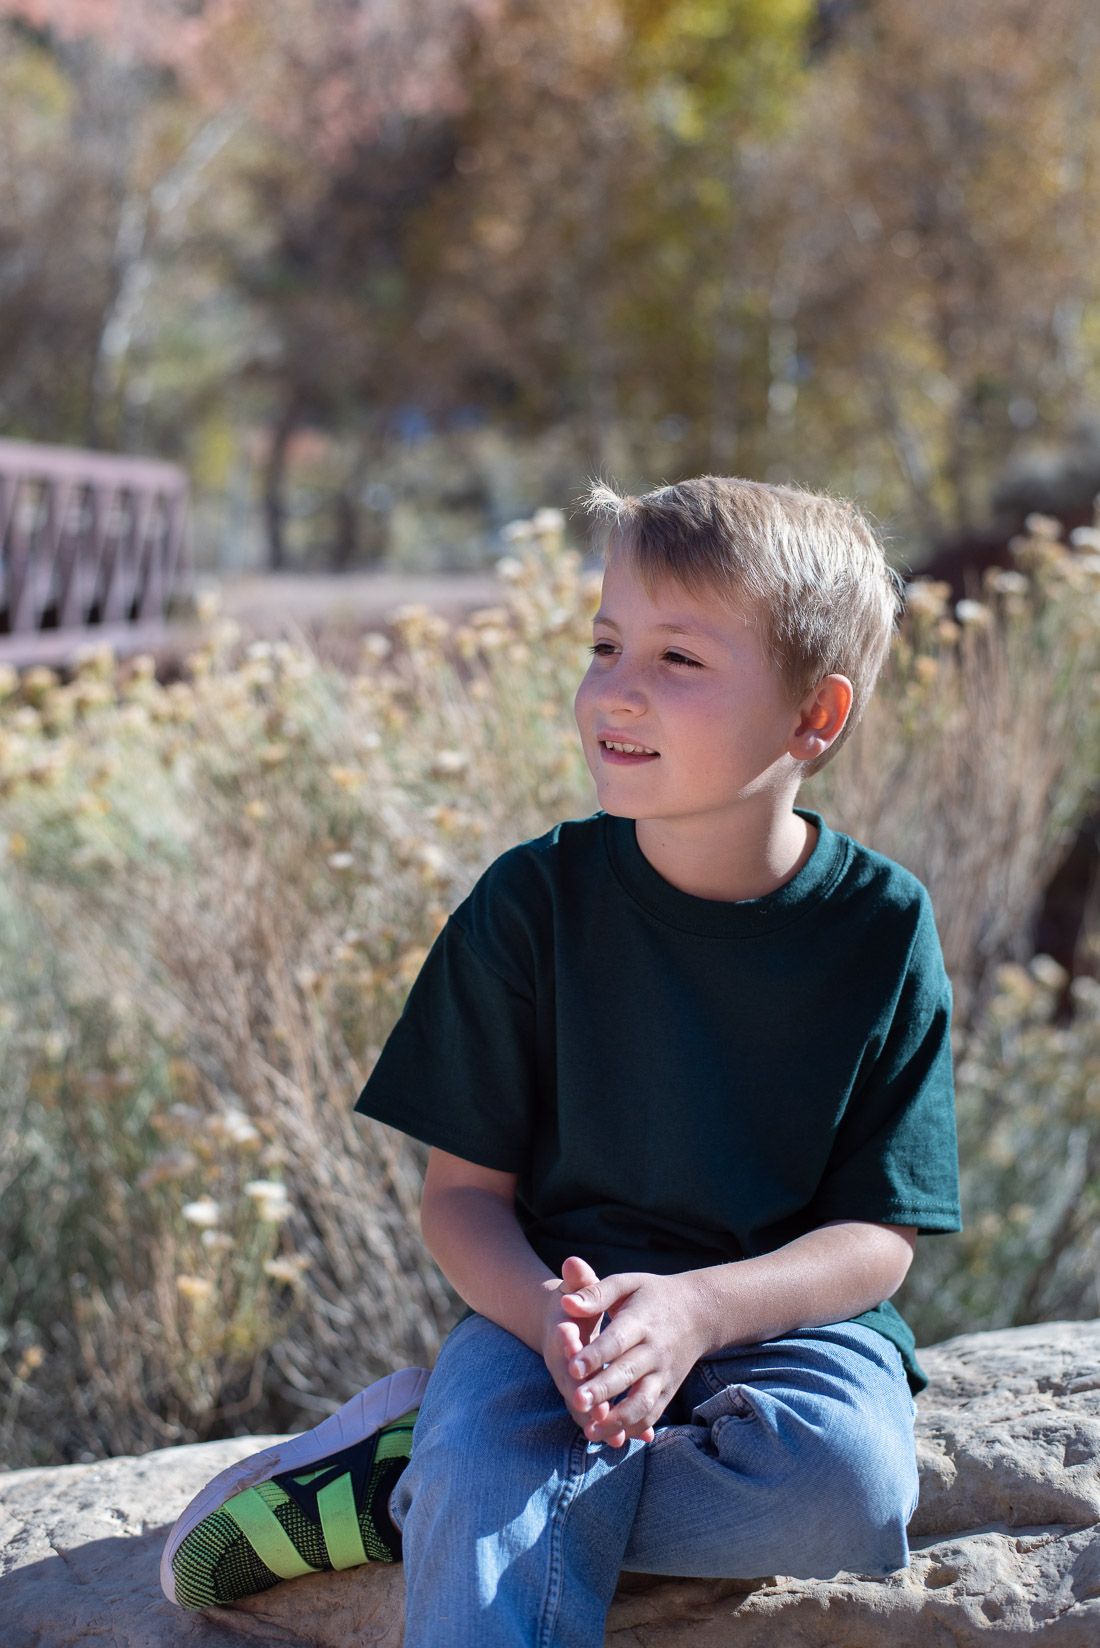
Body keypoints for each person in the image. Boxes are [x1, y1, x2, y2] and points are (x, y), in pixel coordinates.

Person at [161, 474, 962, 1645]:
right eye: (603, 642)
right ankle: (453, 1473)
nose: (613, 690)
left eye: (678, 660)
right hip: (549, 1323)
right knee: (496, 1525)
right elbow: (461, 1201)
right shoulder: (529, 903)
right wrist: (548, 1320)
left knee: (847, 1489)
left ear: (813, 718)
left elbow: (876, 1240)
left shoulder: (881, 926)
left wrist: (699, 1309)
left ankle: (410, 1491)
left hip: (777, 1329)